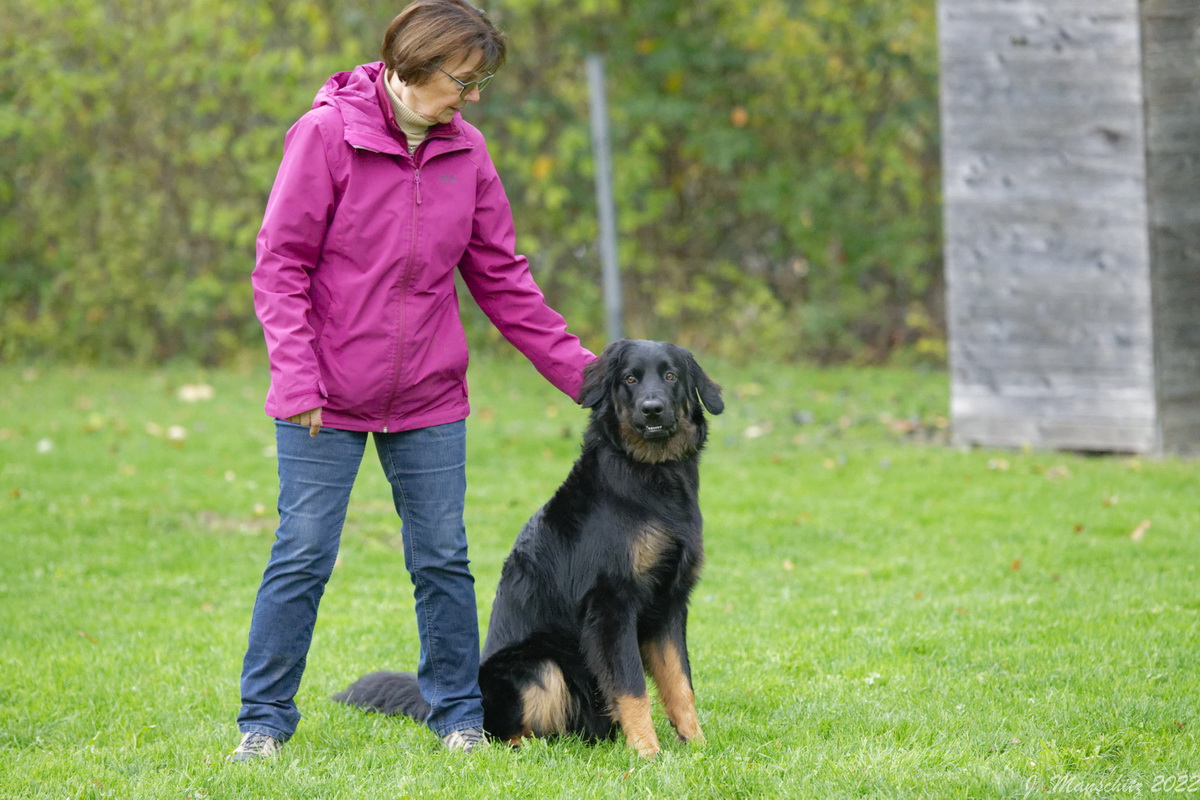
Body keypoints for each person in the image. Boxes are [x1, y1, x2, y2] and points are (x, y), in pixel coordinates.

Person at [231, 0, 594, 760]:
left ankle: (459, 716)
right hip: (322, 397)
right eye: (461, 81)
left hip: (429, 398)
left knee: (441, 559)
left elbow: (503, 280)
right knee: (302, 553)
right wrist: (297, 379)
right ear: (413, 67)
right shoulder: (326, 134)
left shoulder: (469, 153)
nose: (469, 98)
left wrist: (586, 376)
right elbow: (280, 264)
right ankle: (263, 723)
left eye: (477, 83)